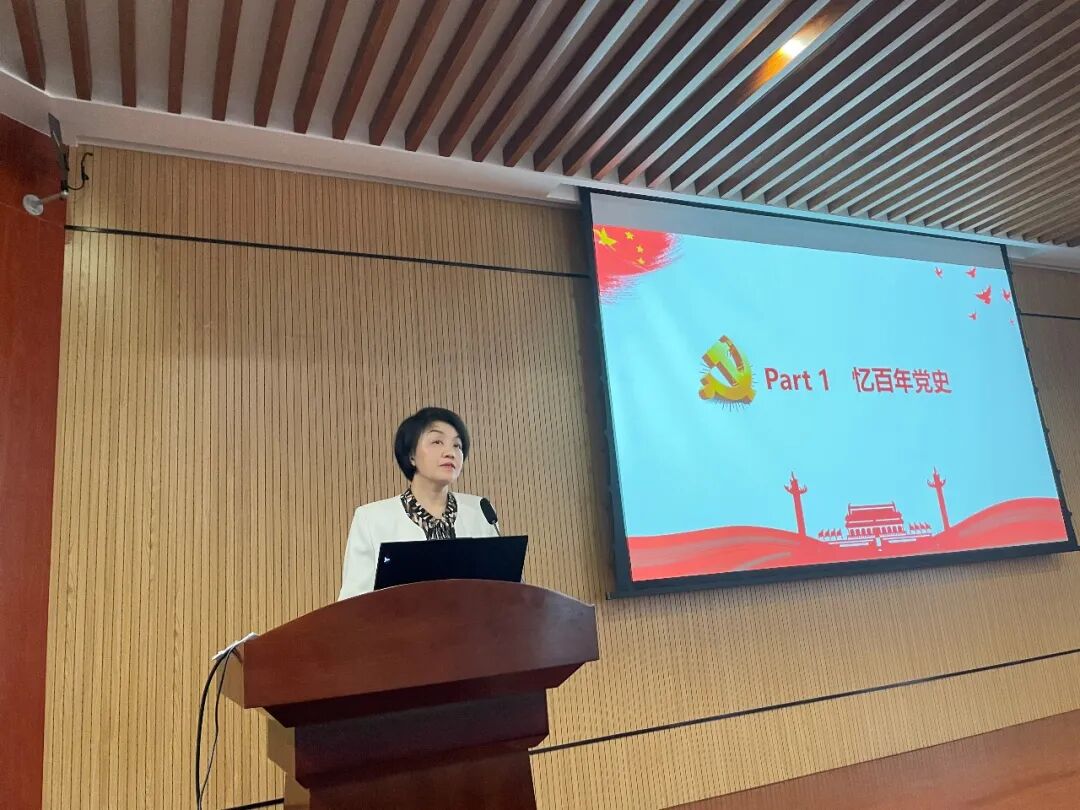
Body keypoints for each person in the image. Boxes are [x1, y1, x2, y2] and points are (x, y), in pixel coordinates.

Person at [338, 407, 499, 600]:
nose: (450, 452)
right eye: (437, 442)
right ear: (411, 455)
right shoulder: (371, 519)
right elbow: (353, 602)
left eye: (457, 445)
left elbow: (502, 588)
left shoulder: (480, 511)